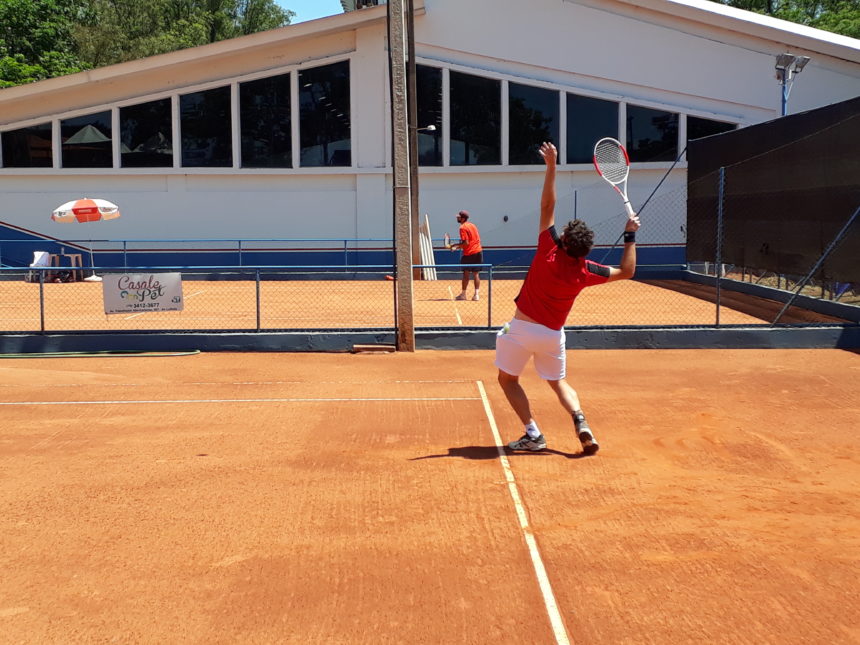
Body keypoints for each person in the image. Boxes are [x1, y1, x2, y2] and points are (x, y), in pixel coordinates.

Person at [495, 141, 640, 455]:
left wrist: (551, 166)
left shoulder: (548, 249)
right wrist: (630, 235)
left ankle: (533, 433)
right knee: (558, 382)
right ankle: (580, 420)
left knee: (507, 380)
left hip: (521, 331)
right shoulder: (586, 270)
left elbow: (547, 206)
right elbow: (627, 271)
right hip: (552, 336)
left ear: (563, 242)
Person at [448, 210, 483, 301]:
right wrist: (457, 246)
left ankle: (463, 295)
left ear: (463, 218)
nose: (457, 218)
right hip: (478, 251)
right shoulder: (473, 225)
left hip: (469, 253)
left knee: (466, 274)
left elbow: (466, 243)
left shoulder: (462, 228)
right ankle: (476, 295)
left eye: (459, 217)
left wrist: (455, 246)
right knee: (476, 274)